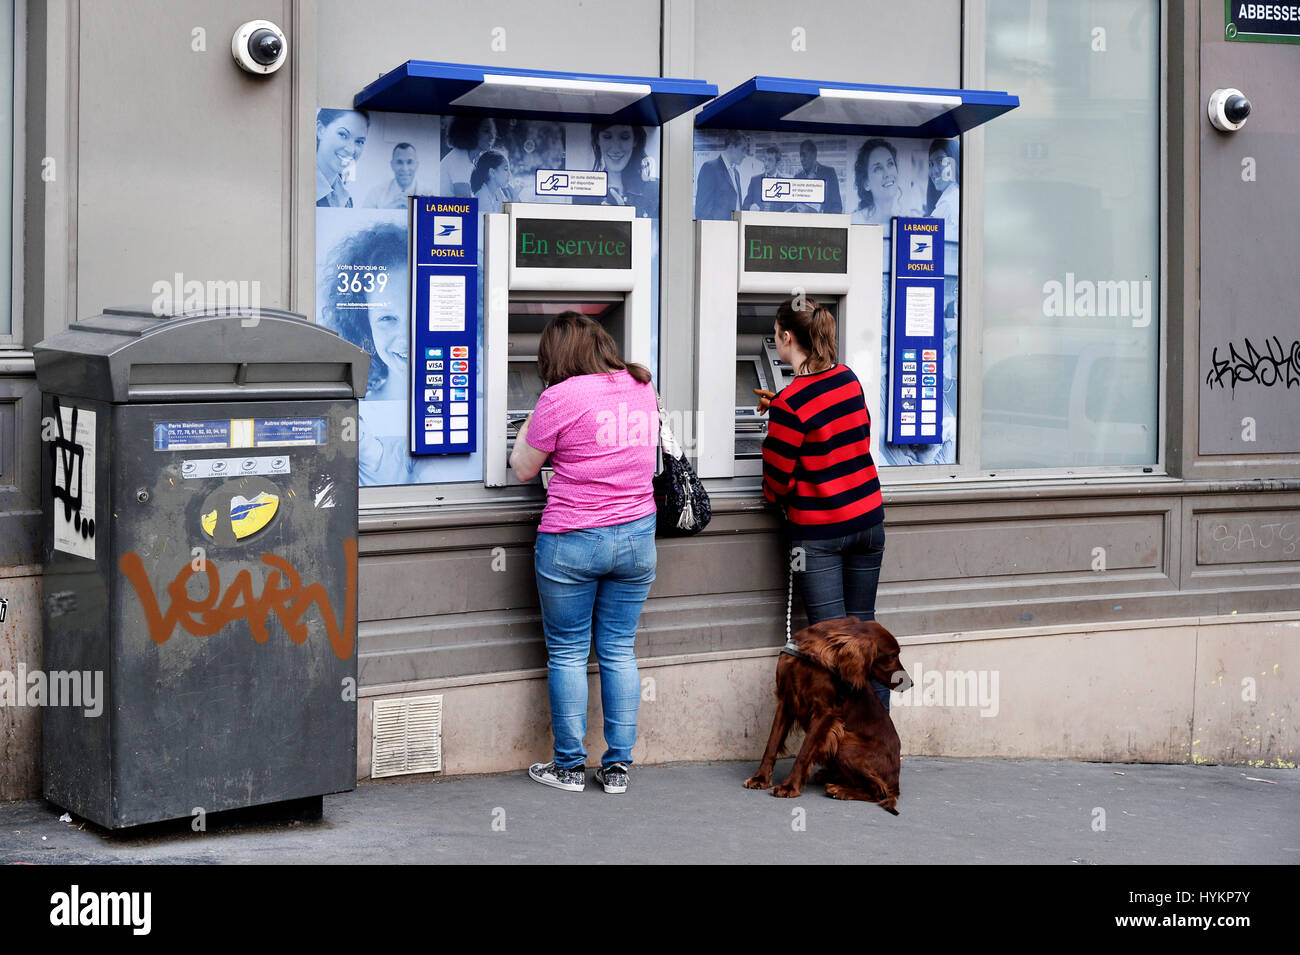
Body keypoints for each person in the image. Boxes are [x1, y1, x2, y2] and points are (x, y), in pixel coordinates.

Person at [510, 312, 659, 794]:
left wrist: (533, 417)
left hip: (572, 539)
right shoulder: (641, 384)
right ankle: (617, 769)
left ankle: (569, 767)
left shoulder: (559, 396)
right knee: (619, 650)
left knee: (569, 653)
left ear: (557, 355)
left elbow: (522, 469)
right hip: (636, 537)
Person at [761, 296, 891, 711]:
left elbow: (776, 485)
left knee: (834, 644)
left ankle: (846, 753)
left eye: (776, 335)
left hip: (820, 535)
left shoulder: (791, 404)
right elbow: (853, 439)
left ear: (785, 338)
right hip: (868, 522)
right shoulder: (848, 379)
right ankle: (878, 742)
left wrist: (778, 421)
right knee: (863, 635)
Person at [317, 221, 414, 486]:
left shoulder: (476, 404)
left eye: (419, 315)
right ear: (365, 325)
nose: (406, 337)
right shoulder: (352, 409)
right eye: (387, 318)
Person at [575, 123, 659, 219]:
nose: (615, 148)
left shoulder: (654, 190)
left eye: (624, 137)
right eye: (607, 137)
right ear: (597, 139)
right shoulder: (582, 192)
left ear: (635, 140)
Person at [851, 137, 913, 226]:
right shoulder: (855, 221)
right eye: (878, 168)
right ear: (866, 183)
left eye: (890, 164)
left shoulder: (905, 221)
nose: (887, 173)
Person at [316, 109, 369, 207]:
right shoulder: (299, 188)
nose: (351, 150)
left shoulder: (346, 200)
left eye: (359, 141)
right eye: (343, 135)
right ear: (320, 130)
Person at [695, 130, 748, 220]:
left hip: (734, 230)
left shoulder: (736, 173)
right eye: (742, 149)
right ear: (731, 147)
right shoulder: (710, 168)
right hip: (717, 231)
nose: (744, 155)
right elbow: (702, 210)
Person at [440, 116, 496, 197]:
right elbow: (466, 204)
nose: (492, 137)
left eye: (493, 132)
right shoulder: (459, 159)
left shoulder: (469, 159)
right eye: (486, 131)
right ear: (471, 131)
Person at [363, 142, 426, 209]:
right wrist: (387, 211)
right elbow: (363, 218)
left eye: (409, 162)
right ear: (392, 165)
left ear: (416, 165)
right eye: (399, 162)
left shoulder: (428, 194)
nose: (405, 168)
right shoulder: (375, 194)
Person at [794, 139, 842, 214]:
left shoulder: (829, 173)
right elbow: (794, 206)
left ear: (814, 155)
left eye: (804, 155)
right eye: (800, 155)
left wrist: (820, 217)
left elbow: (837, 206)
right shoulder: (797, 177)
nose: (801, 159)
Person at [925, 138, 960, 235]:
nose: (934, 170)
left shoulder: (948, 203)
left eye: (941, 161)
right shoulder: (955, 196)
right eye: (930, 164)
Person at [470, 150, 514, 214]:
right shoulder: (482, 198)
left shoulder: (498, 192)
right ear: (492, 172)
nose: (509, 174)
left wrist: (514, 196)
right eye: (506, 169)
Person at [744, 145, 783, 211]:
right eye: (765, 160)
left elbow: (786, 209)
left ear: (778, 163)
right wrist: (750, 207)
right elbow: (745, 205)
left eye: (770, 160)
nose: (766, 164)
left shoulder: (784, 183)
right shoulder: (755, 181)